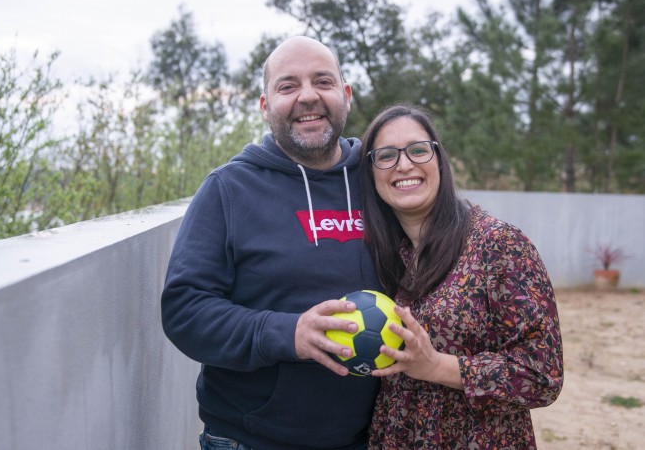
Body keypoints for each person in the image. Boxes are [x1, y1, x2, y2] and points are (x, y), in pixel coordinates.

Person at [161, 36, 382, 450]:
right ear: (265, 106)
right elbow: (184, 311)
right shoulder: (227, 190)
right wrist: (287, 333)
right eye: (287, 86)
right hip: (252, 439)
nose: (308, 97)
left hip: (369, 438)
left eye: (323, 81)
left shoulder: (378, 182)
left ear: (346, 95)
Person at [358, 104, 563, 449]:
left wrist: (438, 366)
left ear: (439, 160)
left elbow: (544, 374)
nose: (404, 164)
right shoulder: (389, 256)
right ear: (372, 172)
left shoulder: (498, 244)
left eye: (418, 150)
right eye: (387, 155)